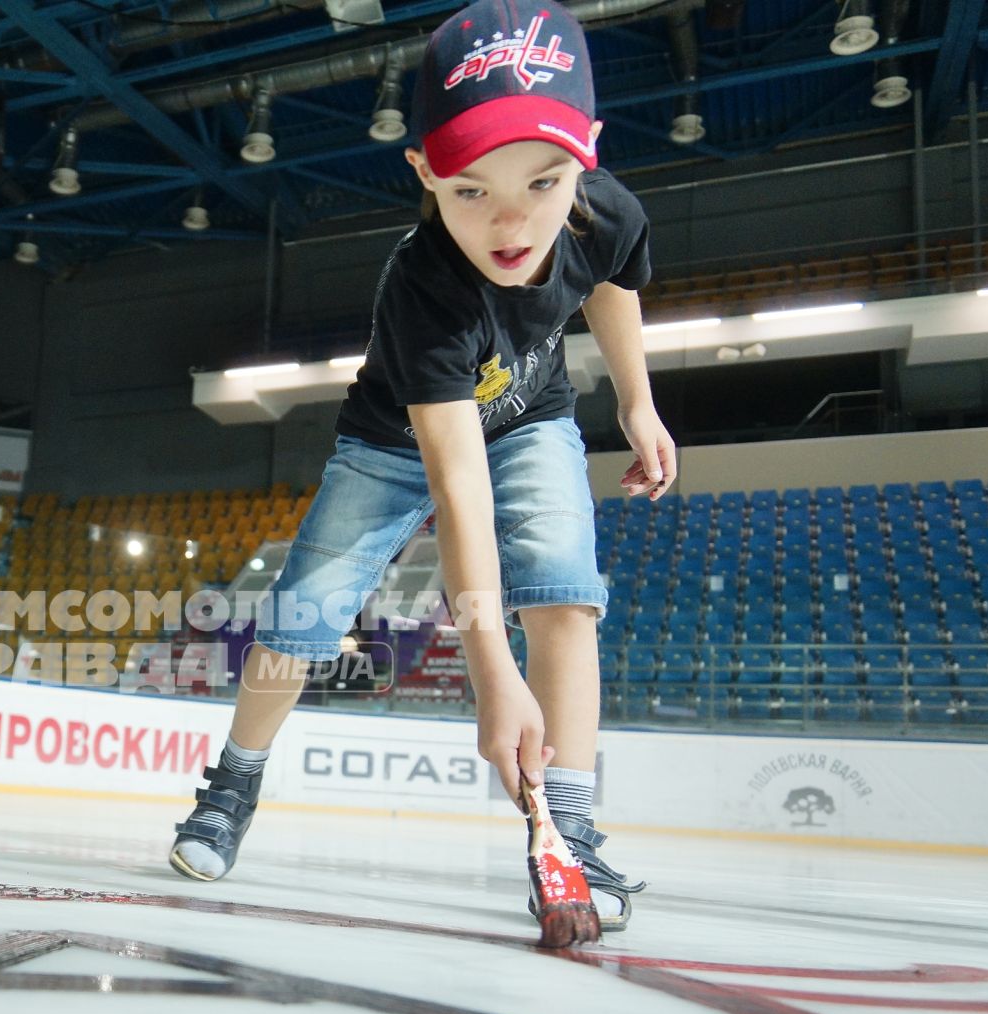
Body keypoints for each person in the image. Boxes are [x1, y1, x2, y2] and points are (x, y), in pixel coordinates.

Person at [168, 0, 676, 934]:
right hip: (398, 442)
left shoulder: (609, 214)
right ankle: (230, 788)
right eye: (471, 189)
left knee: (568, 597)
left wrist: (637, 403)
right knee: (304, 612)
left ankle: (567, 828)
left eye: (545, 181)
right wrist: (490, 673)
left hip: (532, 417)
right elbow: (459, 487)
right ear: (424, 171)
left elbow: (612, 287)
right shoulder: (423, 289)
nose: (511, 219)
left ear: (588, 156)